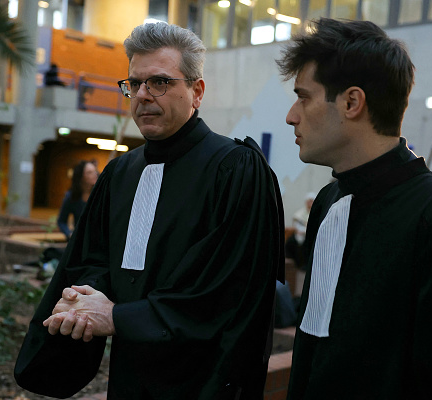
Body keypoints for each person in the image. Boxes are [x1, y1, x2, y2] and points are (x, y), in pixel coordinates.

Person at [15, 22, 285, 400]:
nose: (142, 95)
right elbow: (94, 259)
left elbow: (225, 294)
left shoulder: (235, 169)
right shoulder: (122, 172)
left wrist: (118, 317)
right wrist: (82, 299)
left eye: (160, 82)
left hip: (202, 382)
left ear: (197, 91)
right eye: (134, 84)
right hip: (129, 377)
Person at [277, 18, 432, 399]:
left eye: (303, 97)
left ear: (352, 102)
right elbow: (314, 343)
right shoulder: (330, 200)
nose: (292, 115)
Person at [56, 159, 99, 240]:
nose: (94, 174)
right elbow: (61, 221)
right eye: (89, 172)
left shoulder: (99, 194)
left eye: (95, 171)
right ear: (81, 177)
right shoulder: (71, 197)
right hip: (81, 240)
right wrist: (69, 234)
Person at [284, 192, 315, 269]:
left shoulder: (316, 212)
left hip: (310, 236)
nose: (309, 203)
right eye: (308, 201)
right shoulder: (301, 213)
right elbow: (297, 224)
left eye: (311, 201)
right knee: (290, 242)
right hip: (299, 234)